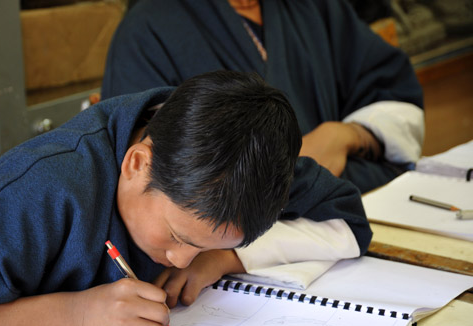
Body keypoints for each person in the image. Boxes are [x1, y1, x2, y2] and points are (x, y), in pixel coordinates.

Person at [0, 71, 371, 326]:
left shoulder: (241, 164)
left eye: (202, 248)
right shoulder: (49, 186)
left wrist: (224, 258)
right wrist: (78, 316)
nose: (180, 260)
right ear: (136, 164)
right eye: (178, 238)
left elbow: (347, 221)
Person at [101, 0, 425, 194]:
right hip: (226, 251)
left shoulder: (315, 7)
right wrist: (302, 179)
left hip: (345, 215)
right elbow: (153, 186)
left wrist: (345, 135)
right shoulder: (147, 31)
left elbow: (391, 91)